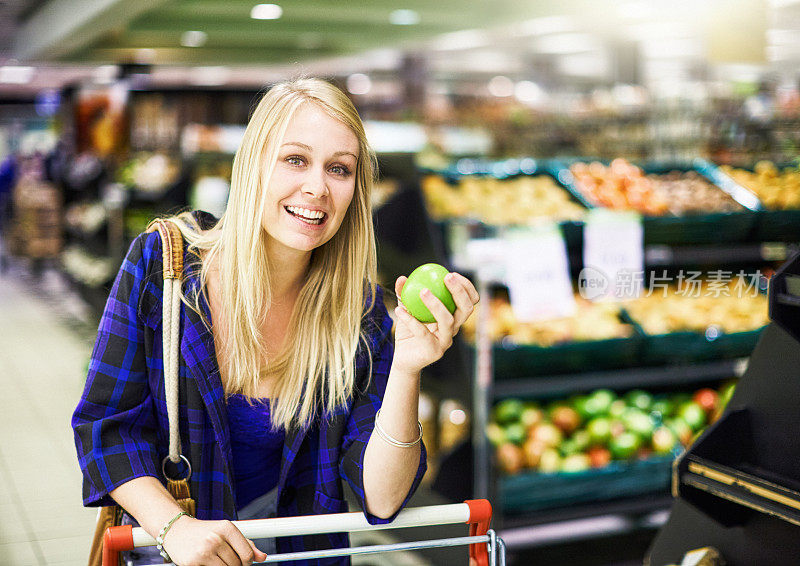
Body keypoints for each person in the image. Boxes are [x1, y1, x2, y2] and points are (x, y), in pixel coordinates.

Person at [72, 78, 479, 566]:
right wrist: (175, 528)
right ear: (254, 164)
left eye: (339, 169)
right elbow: (107, 430)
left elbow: (383, 498)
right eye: (295, 160)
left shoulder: (361, 315)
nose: (317, 187)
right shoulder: (164, 269)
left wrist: (408, 367)